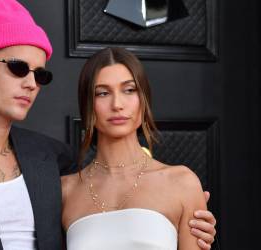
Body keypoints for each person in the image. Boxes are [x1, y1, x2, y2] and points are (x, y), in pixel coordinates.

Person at [0, 1, 216, 250]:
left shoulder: (54, 162)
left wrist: (191, 225)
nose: (31, 82)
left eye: (40, 74)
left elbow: (118, 209)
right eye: (18, 67)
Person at [62, 47, 215, 250]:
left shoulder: (181, 183)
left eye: (129, 90)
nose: (117, 104)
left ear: (144, 100)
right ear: (87, 105)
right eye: (103, 93)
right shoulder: (65, 192)